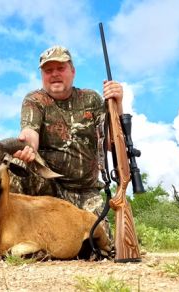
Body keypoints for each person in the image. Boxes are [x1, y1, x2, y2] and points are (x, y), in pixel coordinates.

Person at [10, 45, 123, 235]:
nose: (54, 74)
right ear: (42, 75)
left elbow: (113, 143)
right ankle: (10, 234)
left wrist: (118, 104)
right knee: (13, 164)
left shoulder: (92, 99)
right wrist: (27, 147)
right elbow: (30, 132)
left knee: (101, 243)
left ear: (72, 71)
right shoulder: (34, 100)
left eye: (60, 68)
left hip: (84, 192)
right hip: (48, 186)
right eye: (48, 70)